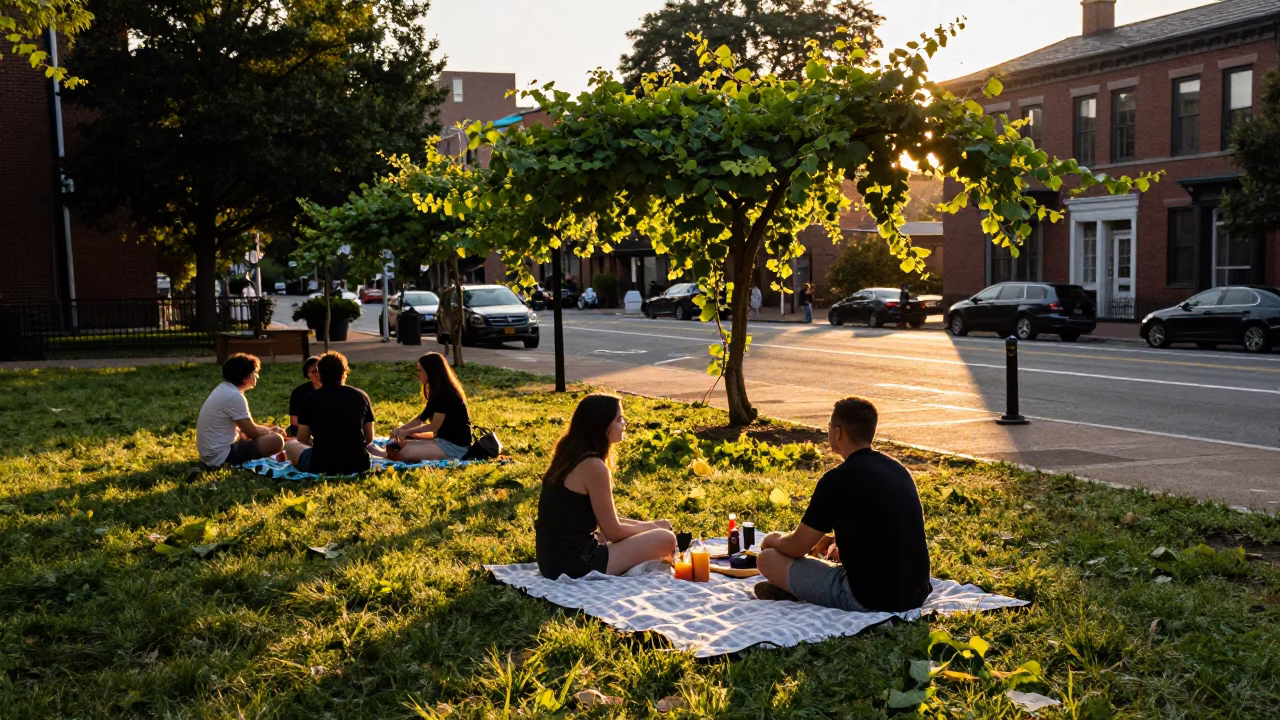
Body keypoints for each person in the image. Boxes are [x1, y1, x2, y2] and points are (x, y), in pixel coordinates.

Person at [754, 396, 932, 612]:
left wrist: (772, 540)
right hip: (915, 593)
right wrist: (831, 540)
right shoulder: (898, 469)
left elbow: (796, 547)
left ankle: (796, 589)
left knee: (768, 559)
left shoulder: (836, 480)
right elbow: (881, 526)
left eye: (829, 426)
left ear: (838, 432)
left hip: (868, 598)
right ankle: (797, 588)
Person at [535, 394, 676, 579]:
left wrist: (654, 525)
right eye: (619, 419)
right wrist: (655, 529)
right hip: (574, 564)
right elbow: (613, 532)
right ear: (602, 426)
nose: (624, 423)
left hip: (550, 561)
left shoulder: (569, 455)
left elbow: (608, 520)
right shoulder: (594, 467)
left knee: (611, 535)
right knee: (666, 539)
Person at [283, 351, 378, 474]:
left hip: (322, 465)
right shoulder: (361, 396)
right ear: (344, 374)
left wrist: (320, 443)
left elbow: (302, 438)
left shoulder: (310, 399)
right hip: (358, 464)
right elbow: (369, 438)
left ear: (320, 375)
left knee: (290, 446)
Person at [196, 353, 284, 467]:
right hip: (221, 457)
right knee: (276, 441)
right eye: (255, 373)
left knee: (267, 436)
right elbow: (253, 432)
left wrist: (271, 429)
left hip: (210, 455)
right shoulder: (234, 396)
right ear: (245, 378)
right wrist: (273, 432)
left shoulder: (223, 389)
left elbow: (247, 427)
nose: (257, 376)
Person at [386, 352, 473, 461]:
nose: (418, 374)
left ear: (431, 372)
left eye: (420, 370)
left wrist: (406, 432)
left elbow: (434, 426)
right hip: (441, 439)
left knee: (401, 452)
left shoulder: (446, 393)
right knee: (398, 444)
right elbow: (420, 419)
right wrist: (401, 430)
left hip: (454, 447)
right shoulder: (437, 391)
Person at [286, 356, 322, 438]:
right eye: (314, 371)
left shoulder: (333, 389)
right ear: (308, 375)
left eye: (321, 370)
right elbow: (294, 421)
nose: (318, 374)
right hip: (306, 432)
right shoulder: (299, 392)